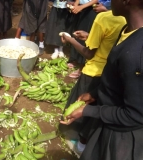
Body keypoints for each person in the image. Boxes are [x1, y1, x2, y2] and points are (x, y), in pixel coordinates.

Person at [61, 0, 143, 158]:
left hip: (123, 136)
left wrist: (88, 110)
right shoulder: (128, 29)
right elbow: (119, 79)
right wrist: (95, 93)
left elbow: (135, 115)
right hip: (109, 120)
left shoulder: (137, 54)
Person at [66, 0, 98, 78]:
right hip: (81, 8)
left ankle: (82, 65)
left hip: (91, 9)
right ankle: (75, 59)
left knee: (86, 34)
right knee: (77, 32)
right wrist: (76, 5)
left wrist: (81, 7)